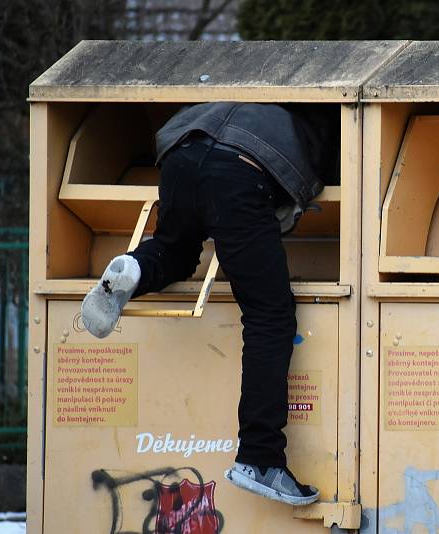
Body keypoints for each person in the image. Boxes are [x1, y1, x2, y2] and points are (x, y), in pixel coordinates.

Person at [81, 102, 339, 506]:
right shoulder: (320, 121)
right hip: (241, 172)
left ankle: (134, 267)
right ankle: (260, 459)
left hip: (182, 156)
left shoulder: (236, 93)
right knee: (269, 315)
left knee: (176, 250)